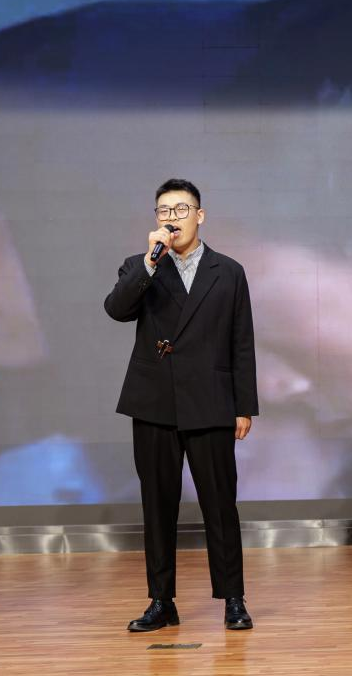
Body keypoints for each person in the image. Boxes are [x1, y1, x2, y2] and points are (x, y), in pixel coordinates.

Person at [104, 178, 257, 632]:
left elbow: (242, 341)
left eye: (181, 209)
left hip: (211, 400)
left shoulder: (228, 271)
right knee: (157, 506)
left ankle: (233, 598)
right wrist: (150, 263)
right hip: (154, 402)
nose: (172, 218)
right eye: (164, 211)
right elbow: (116, 309)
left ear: (200, 215)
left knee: (220, 505)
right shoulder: (140, 265)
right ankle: (161, 601)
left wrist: (244, 405)